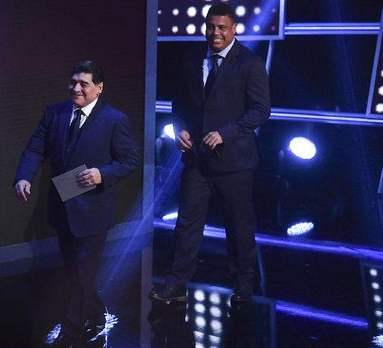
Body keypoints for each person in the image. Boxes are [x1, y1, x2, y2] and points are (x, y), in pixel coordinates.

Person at [149, 2, 271, 306]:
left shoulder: (250, 63)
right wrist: (180, 129)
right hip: (197, 160)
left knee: (238, 226)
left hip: (236, 162)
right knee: (187, 224)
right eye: (211, 27)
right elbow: (180, 105)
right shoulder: (193, 61)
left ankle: (243, 287)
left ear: (233, 30)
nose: (215, 33)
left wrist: (225, 133)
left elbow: (261, 110)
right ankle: (176, 286)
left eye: (221, 28)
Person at [14, 60, 139, 344]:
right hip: (63, 206)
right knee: (75, 272)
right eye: (73, 82)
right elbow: (35, 147)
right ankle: (96, 315)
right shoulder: (55, 113)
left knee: (81, 273)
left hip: (93, 211)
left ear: (99, 87)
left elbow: (130, 160)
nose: (77, 88)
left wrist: (101, 174)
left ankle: (69, 332)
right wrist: (23, 177)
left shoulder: (114, 120)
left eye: (84, 83)